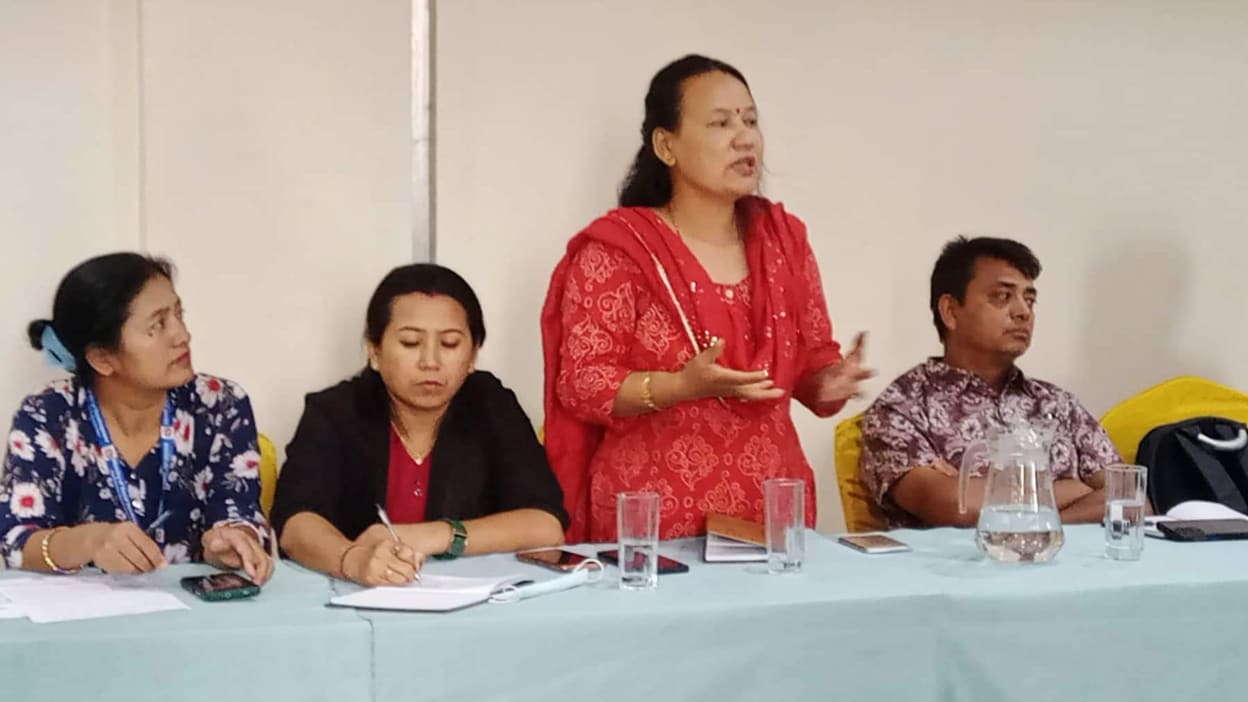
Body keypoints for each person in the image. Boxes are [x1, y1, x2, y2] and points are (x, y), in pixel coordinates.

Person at [542, 55, 872, 542]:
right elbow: (584, 384)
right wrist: (679, 387)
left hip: (770, 517)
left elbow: (807, 366)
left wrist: (831, 382)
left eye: (751, 120)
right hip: (654, 526)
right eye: (720, 123)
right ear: (666, 145)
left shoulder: (784, 240)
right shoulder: (619, 251)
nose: (745, 137)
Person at [273, 264, 567, 586]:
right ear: (375, 350)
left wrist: (436, 536)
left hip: (470, 606)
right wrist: (353, 560)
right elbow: (295, 523)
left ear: (472, 356)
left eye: (450, 344)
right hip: (352, 601)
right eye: (411, 343)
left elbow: (546, 525)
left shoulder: (491, 405)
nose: (430, 361)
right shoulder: (335, 412)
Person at [0, 253, 273, 583]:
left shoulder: (219, 404)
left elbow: (240, 509)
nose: (182, 335)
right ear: (102, 358)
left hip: (193, 612)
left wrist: (231, 540)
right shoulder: (48, 414)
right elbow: (17, 542)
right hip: (85, 617)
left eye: (178, 314)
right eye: (157, 325)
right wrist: (90, 541)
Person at [859, 236, 1121, 527]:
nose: (1023, 312)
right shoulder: (903, 408)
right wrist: (1077, 490)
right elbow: (958, 507)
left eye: (1030, 299)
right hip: (956, 570)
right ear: (950, 311)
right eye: (1002, 297)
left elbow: (1129, 497)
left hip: (1073, 569)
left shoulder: (1057, 404)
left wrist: (1036, 522)